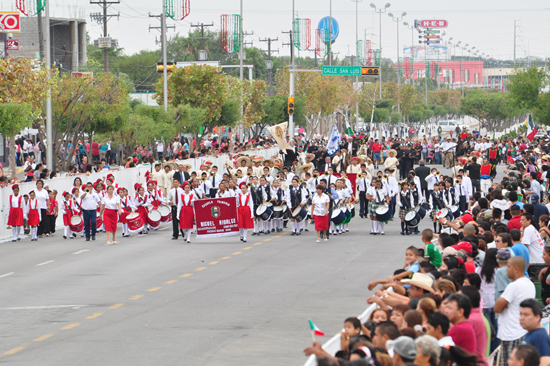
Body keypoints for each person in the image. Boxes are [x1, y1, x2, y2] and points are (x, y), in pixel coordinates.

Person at [495, 256, 536, 366]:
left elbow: (497, 307)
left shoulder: (513, 286)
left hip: (511, 334)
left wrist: (505, 304)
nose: (506, 269)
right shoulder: (530, 284)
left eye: (509, 266)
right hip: (520, 331)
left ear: (516, 269)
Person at [520, 213, 545, 277]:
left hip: (536, 262)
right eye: (521, 220)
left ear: (529, 220)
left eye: (523, 220)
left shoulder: (528, 229)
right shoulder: (532, 228)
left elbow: (524, 246)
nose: (521, 222)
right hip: (540, 260)